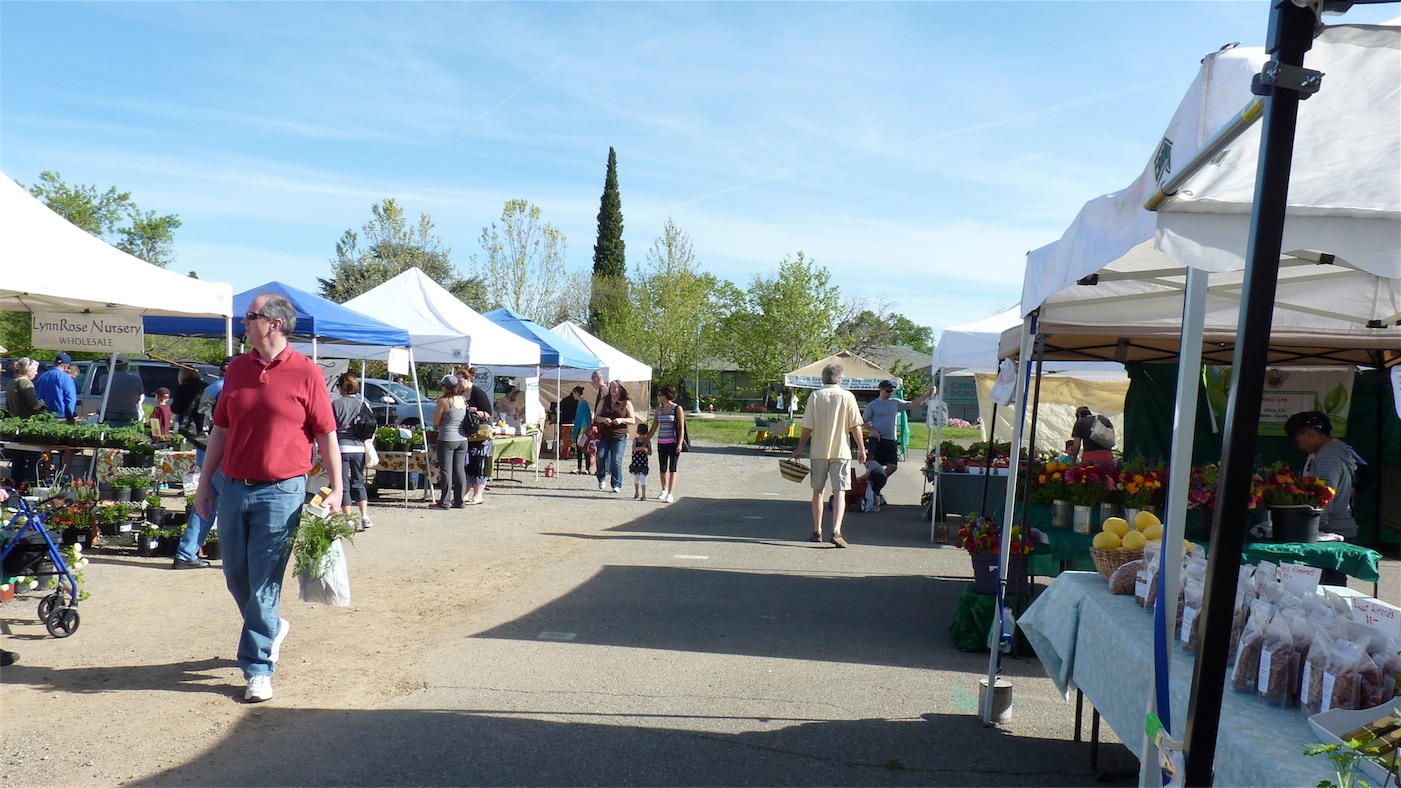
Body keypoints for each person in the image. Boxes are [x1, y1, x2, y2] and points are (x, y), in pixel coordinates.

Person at [194, 294, 341, 703]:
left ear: (274, 323)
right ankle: (272, 627)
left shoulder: (307, 372)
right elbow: (220, 430)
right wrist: (205, 483)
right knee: (235, 575)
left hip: (281, 492)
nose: (243, 322)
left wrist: (338, 487)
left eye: (250, 317)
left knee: (264, 582)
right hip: (232, 486)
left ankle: (258, 667)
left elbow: (327, 433)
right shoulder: (238, 369)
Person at [791, 363, 867, 548]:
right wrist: (862, 449)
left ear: (823, 378)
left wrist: (800, 447)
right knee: (839, 492)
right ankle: (836, 531)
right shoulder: (848, 396)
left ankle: (817, 530)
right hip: (841, 451)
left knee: (818, 491)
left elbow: (807, 426)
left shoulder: (815, 396)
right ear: (841, 378)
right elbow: (855, 426)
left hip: (818, 451)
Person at [1285, 411, 1360, 584]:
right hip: (1337, 531)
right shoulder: (1332, 452)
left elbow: (1325, 498)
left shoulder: (1327, 458)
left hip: (1332, 533)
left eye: (1298, 441)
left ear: (1310, 433)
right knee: (1330, 588)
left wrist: (1309, 526)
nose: (1299, 446)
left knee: (1327, 590)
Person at [173, 356, 231, 570]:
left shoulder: (211, 388)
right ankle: (232, 558)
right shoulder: (229, 390)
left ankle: (186, 552)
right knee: (230, 507)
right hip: (222, 457)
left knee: (205, 505)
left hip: (204, 454)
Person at [862, 380, 932, 498]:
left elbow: (913, 404)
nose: (889, 393)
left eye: (891, 391)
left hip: (890, 439)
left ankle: (875, 487)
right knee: (874, 468)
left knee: (892, 467)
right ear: (881, 390)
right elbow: (863, 421)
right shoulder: (872, 405)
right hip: (877, 440)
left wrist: (927, 394)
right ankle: (870, 490)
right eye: (887, 391)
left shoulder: (895, 403)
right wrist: (872, 430)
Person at [331, 373, 374, 528]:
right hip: (359, 448)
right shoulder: (363, 404)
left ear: (341, 387)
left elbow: (330, 427)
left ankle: (348, 518)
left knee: (343, 484)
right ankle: (364, 516)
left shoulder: (335, 404)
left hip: (341, 447)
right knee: (359, 481)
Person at [429, 374, 468, 510]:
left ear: (445, 387)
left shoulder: (444, 401)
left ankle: (444, 502)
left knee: (446, 471)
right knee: (459, 470)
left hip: (447, 438)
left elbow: (435, 422)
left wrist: (441, 422)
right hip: (462, 438)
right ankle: (459, 500)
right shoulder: (462, 399)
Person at [5, 358, 45, 486]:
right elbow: (34, 405)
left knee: (18, 459)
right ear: (28, 370)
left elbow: (8, 407)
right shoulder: (27, 384)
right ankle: (32, 485)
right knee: (34, 459)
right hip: (29, 427)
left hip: (16, 425)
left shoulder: (11, 384)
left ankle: (16, 486)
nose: (36, 373)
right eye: (35, 370)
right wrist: (42, 404)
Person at [458, 366, 493, 505]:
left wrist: (474, 413)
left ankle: (478, 495)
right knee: (467, 463)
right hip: (466, 433)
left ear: (467, 379)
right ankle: (465, 493)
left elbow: (488, 413)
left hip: (480, 434)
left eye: (460, 381)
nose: (458, 384)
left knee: (479, 463)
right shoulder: (460, 393)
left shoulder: (478, 393)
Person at [594, 380, 636, 493]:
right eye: (611, 387)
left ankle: (616, 484)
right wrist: (603, 419)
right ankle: (601, 478)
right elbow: (596, 416)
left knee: (616, 459)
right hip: (605, 435)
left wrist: (621, 420)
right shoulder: (604, 401)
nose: (613, 390)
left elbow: (632, 420)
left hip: (619, 436)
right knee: (600, 456)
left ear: (620, 389)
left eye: (615, 387)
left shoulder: (626, 402)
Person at [647, 385, 686, 503]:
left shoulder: (677, 408)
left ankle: (670, 493)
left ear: (665, 396)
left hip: (673, 442)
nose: (658, 397)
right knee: (662, 467)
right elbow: (654, 427)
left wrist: (679, 444)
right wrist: (646, 440)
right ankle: (664, 489)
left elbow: (681, 428)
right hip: (661, 442)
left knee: (672, 467)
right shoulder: (658, 410)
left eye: (659, 395)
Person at [103, 354, 146, 426]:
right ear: (126, 366)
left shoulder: (104, 378)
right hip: (130, 416)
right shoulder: (137, 380)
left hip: (110, 416)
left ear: (111, 366)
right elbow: (138, 399)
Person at [34, 353, 78, 422]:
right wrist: (70, 416)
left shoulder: (41, 376)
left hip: (42, 415)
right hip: (60, 416)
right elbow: (70, 398)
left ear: (54, 363)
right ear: (66, 366)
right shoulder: (66, 378)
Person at [569, 386, 593, 474]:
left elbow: (587, 416)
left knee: (585, 448)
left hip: (584, 428)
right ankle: (579, 467)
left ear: (577, 393)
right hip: (580, 427)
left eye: (573, 393)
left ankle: (587, 468)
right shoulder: (580, 403)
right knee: (579, 448)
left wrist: (589, 428)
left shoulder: (584, 403)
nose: (573, 395)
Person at [629, 423, 651, 500]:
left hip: (643, 463)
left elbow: (650, 452)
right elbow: (633, 448)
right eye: (641, 434)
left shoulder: (647, 441)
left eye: (643, 434)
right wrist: (642, 448)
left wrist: (646, 451)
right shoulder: (635, 440)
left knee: (642, 477)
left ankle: (644, 494)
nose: (642, 436)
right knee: (636, 478)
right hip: (636, 462)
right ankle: (636, 492)